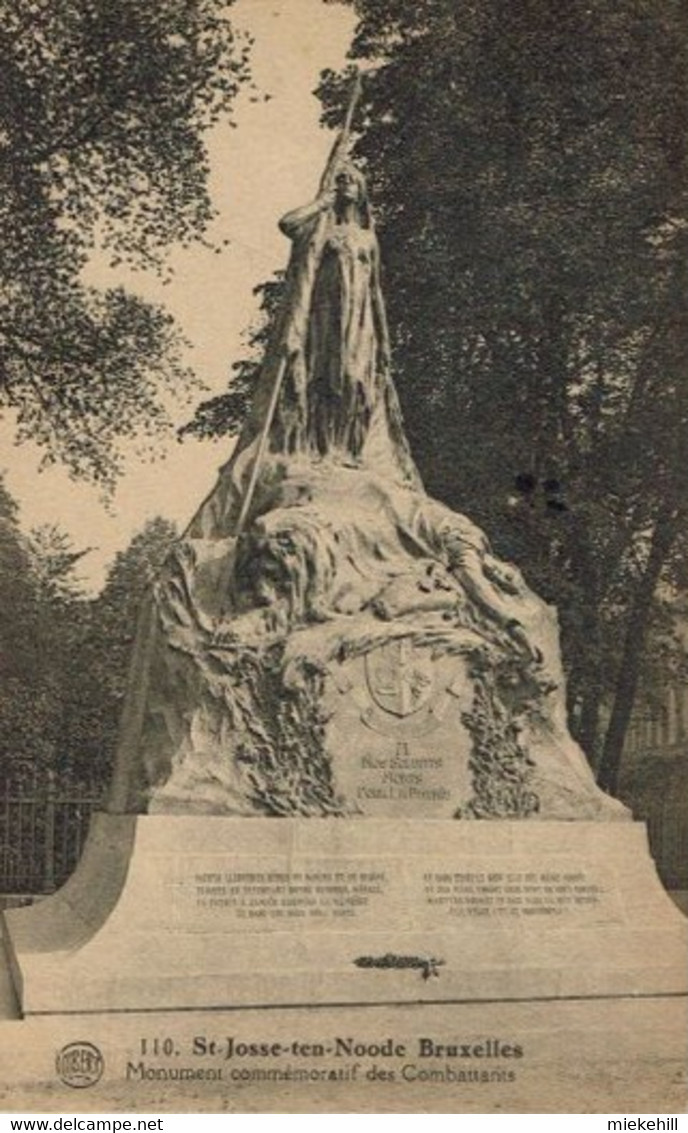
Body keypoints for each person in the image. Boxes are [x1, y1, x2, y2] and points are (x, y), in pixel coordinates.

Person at [277, 162, 392, 461]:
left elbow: (376, 290)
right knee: (325, 377)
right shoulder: (321, 231)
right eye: (340, 180)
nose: (345, 184)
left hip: (360, 317)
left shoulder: (368, 237)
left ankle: (349, 450)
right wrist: (320, 203)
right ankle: (323, 448)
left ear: (361, 190)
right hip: (326, 313)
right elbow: (288, 223)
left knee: (355, 379)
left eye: (352, 180)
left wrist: (385, 340)